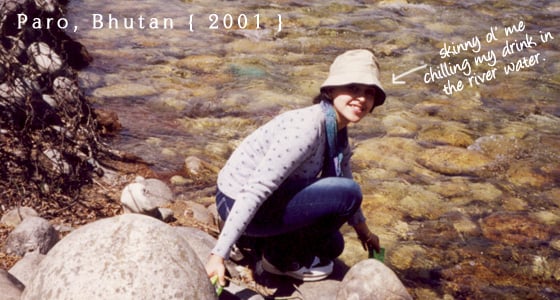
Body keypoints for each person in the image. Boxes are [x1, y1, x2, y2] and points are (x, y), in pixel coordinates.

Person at [205, 49, 386, 285]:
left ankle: (256, 242)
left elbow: (344, 175)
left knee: (334, 245)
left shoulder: (337, 131)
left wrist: (365, 233)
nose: (361, 98)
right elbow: (257, 188)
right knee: (349, 192)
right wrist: (218, 255)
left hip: (258, 203)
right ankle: (278, 260)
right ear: (331, 91)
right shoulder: (307, 128)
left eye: (369, 93)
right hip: (235, 201)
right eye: (353, 88)